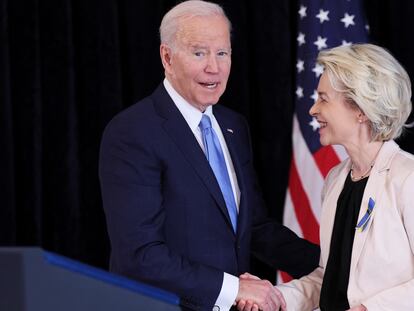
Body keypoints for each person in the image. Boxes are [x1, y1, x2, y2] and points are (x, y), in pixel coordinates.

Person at [99, 1, 319, 310]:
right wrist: (234, 288)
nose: (213, 68)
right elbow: (140, 255)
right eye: (199, 53)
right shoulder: (133, 132)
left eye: (222, 53)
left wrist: (333, 264)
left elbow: (252, 226)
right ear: (167, 57)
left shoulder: (232, 126)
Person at [240, 43, 414, 311]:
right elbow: (330, 279)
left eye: (323, 98)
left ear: (360, 109)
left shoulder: (408, 177)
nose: (313, 109)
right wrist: (275, 298)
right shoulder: (335, 180)